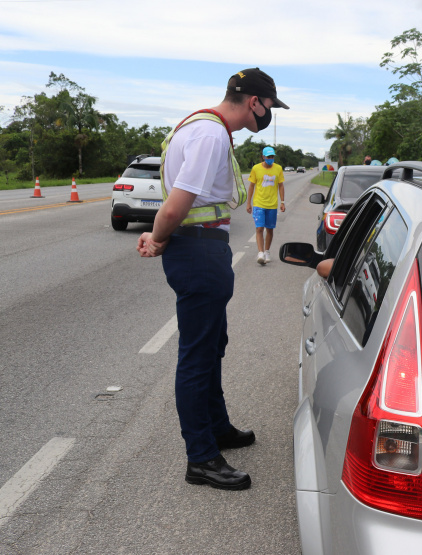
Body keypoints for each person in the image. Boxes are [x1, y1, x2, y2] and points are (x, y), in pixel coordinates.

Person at [137, 67, 289, 490]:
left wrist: (164, 237)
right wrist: (158, 237)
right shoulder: (211, 134)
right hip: (198, 250)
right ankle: (201, 457)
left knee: (212, 345)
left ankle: (218, 427)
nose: (270, 113)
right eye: (270, 105)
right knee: (198, 355)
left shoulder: (199, 125)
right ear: (254, 101)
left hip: (201, 247)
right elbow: (177, 204)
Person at [247, 146, 286, 265]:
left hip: (272, 204)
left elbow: (281, 185)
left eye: (272, 157)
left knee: (270, 229)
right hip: (259, 203)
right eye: (268, 157)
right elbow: (251, 186)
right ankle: (260, 253)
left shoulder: (278, 168)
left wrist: (282, 202)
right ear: (263, 157)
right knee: (259, 228)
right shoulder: (256, 168)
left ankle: (267, 251)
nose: (271, 159)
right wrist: (248, 203)